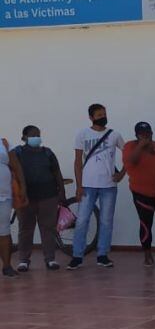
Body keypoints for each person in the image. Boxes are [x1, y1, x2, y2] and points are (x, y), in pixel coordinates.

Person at [69, 103, 125, 270]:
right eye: (99, 114)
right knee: (82, 221)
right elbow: (77, 162)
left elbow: (128, 154)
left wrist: (122, 173)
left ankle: (102, 255)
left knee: (106, 221)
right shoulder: (82, 134)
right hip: (87, 185)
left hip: (109, 185)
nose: (103, 117)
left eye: (104, 113)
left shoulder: (114, 134)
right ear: (91, 117)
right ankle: (77, 256)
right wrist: (79, 185)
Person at [122, 122, 155, 267]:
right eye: (143, 135)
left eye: (149, 134)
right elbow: (131, 161)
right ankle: (147, 255)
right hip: (141, 193)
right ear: (137, 135)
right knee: (146, 224)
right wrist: (141, 146)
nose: (147, 137)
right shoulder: (130, 146)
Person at [12, 126, 65, 272]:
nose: (37, 137)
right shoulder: (17, 152)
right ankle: (23, 260)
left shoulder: (47, 153)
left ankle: (50, 259)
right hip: (25, 197)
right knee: (25, 228)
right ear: (24, 137)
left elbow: (57, 172)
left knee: (48, 228)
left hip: (48, 196)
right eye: (33, 135)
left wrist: (62, 193)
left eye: (38, 135)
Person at [0, 138, 27, 278]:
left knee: (4, 231)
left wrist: (22, 187)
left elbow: (16, 165)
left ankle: (6, 266)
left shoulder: (4, 143)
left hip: (4, 196)